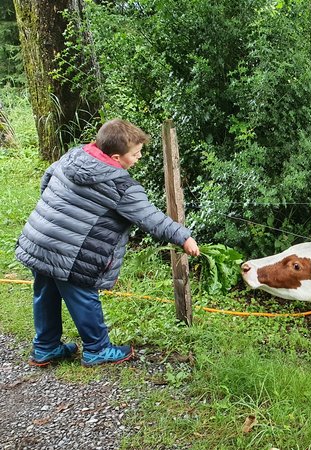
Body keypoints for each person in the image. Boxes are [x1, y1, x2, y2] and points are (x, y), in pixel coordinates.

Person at [15, 119, 201, 367]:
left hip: (39, 239)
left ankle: (45, 347)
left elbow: (46, 182)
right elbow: (150, 218)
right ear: (115, 157)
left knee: (45, 293)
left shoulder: (74, 156)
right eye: (135, 154)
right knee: (83, 296)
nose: (139, 157)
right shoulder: (120, 186)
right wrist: (183, 237)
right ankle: (97, 349)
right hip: (71, 253)